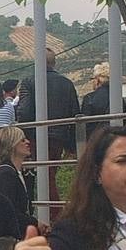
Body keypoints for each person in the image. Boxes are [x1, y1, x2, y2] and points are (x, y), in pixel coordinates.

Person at [16, 49, 81, 207]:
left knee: (45, 177)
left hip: (36, 136)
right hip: (59, 137)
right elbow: (75, 113)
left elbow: (24, 112)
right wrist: (71, 145)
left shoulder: (29, 82)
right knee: (50, 174)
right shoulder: (67, 83)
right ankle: (55, 210)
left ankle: (52, 213)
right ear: (54, 63)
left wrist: (24, 136)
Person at [0, 125, 36, 233]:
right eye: (22, 140)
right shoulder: (5, 174)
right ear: (12, 145)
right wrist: (34, 223)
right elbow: (8, 210)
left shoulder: (14, 172)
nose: (28, 142)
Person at [79, 62, 112, 142]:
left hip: (94, 140)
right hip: (113, 140)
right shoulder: (119, 100)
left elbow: (84, 125)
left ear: (97, 80)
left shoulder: (89, 98)